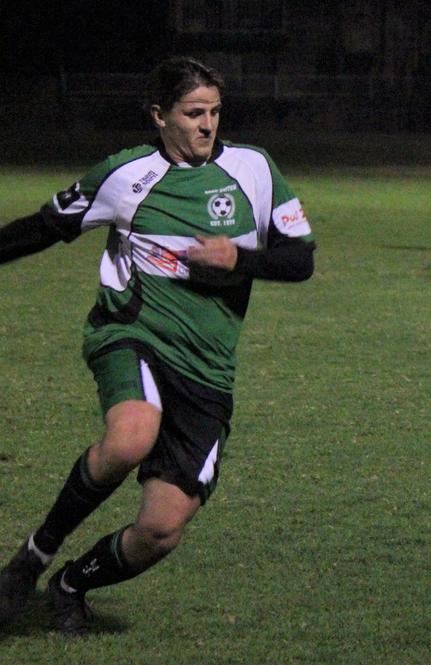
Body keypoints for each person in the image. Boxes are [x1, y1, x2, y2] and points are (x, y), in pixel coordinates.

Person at [0, 57, 315, 635]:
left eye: (215, 112)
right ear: (159, 116)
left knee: (162, 529)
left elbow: (302, 260)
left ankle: (71, 583)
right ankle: (34, 555)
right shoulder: (126, 175)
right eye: (194, 113)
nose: (208, 125)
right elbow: (46, 226)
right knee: (130, 438)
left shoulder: (255, 170)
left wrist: (241, 259)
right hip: (132, 336)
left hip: (208, 371)